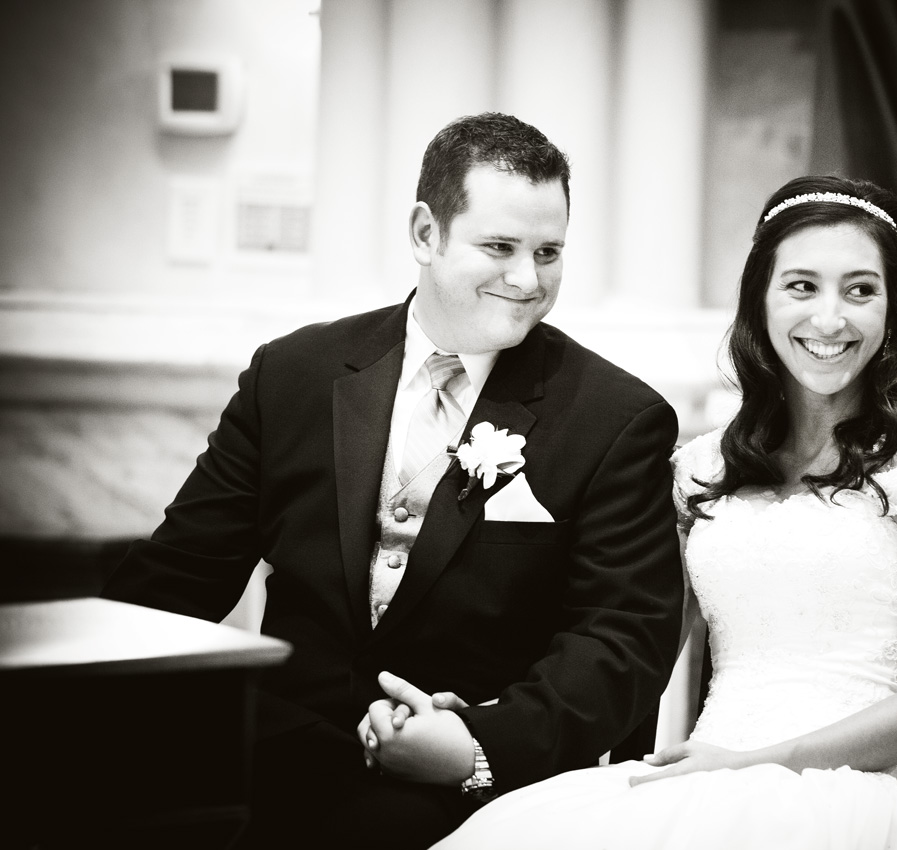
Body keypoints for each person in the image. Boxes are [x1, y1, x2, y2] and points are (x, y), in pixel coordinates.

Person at [432, 175, 897, 849]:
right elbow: (636, 652)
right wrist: (499, 720)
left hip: (856, 795)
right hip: (701, 777)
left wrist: (757, 764)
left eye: (860, 290)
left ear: (892, 310)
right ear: (759, 300)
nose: (829, 319)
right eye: (801, 286)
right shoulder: (701, 469)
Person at [101, 112, 684, 846]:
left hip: (464, 784)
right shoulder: (294, 375)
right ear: (424, 233)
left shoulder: (615, 418)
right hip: (275, 750)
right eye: (499, 247)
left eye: (548, 252)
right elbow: (181, 574)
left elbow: (620, 640)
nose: (527, 279)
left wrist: (474, 747)